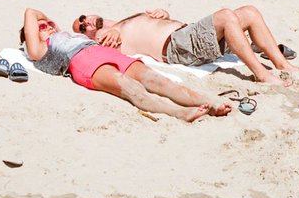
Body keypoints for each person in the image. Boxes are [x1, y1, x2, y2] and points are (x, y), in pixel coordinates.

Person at [21, 9, 232, 122]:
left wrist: (50, 25)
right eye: (43, 27)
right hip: (81, 60)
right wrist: (40, 25)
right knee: (132, 88)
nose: (50, 26)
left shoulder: (66, 35)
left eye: (50, 24)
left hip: (103, 51)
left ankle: (207, 102)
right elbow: (31, 12)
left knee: (159, 81)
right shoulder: (40, 49)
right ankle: (179, 113)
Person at [72, 6, 297, 86]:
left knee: (250, 12)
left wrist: (163, 14)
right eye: (82, 28)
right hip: (178, 47)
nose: (85, 23)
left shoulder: (120, 22)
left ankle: (283, 65)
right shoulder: (103, 36)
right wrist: (109, 35)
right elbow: (106, 52)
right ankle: (261, 74)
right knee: (226, 16)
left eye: (82, 18)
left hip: (187, 35)